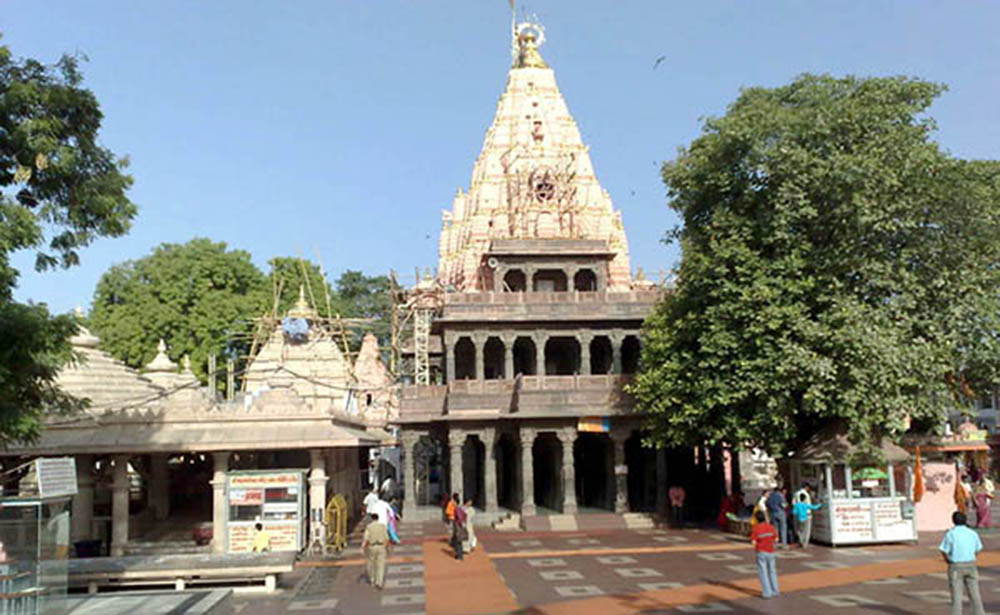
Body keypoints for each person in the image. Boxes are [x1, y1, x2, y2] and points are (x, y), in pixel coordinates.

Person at [939, 511, 985, 615]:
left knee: (957, 597)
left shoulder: (951, 534)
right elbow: (978, 548)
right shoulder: (972, 533)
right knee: (975, 594)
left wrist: (948, 560)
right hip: (971, 564)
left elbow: (943, 550)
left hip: (956, 565)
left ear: (953, 521)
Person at [750, 510, 779, 599]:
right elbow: (776, 539)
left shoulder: (756, 528)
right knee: (772, 571)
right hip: (771, 551)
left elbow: (753, 542)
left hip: (761, 551)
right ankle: (775, 590)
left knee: (763, 572)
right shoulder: (770, 527)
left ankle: (767, 592)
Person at [361, 512, 390, 589]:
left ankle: (372, 579)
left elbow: (366, 538)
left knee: (371, 563)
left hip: (372, 546)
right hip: (381, 546)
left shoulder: (369, 527)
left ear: (372, 519)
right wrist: (387, 548)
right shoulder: (382, 526)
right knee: (381, 565)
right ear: (378, 518)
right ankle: (379, 582)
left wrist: (362, 547)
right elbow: (386, 538)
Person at [451, 494, 467, 560]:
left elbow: (460, 517)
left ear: (455, 502)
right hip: (458, 525)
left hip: (458, 526)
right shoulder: (459, 508)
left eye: (453, 502)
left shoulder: (457, 509)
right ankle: (459, 555)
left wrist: (459, 522)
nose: (453, 503)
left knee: (458, 542)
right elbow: (465, 515)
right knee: (458, 541)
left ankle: (459, 556)